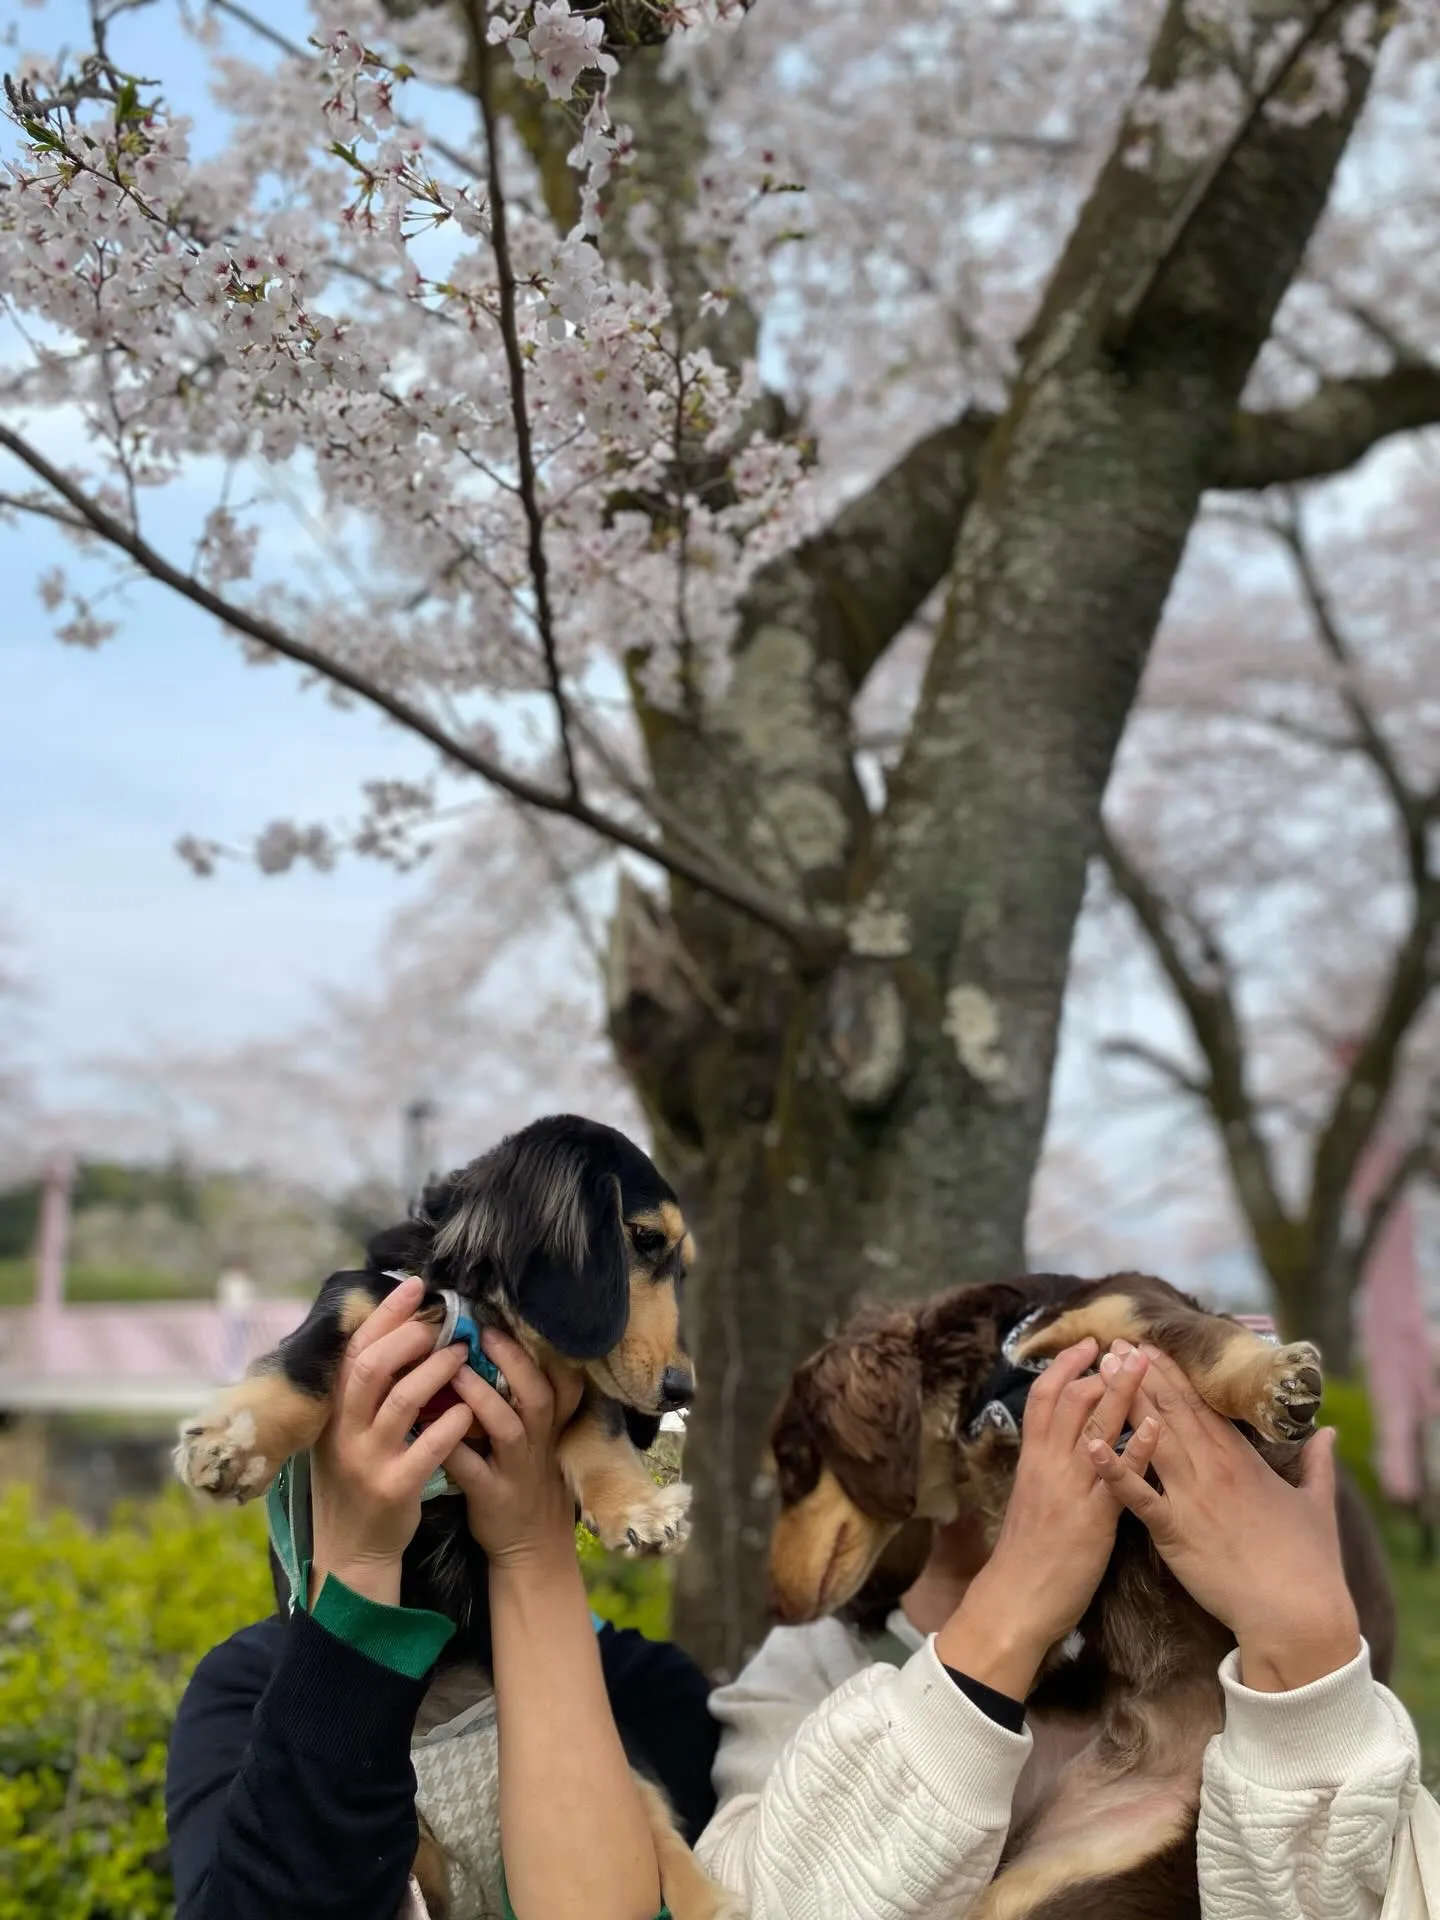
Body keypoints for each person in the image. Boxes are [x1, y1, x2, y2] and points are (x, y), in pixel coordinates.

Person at [697, 1335, 1428, 1920]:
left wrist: (1307, 1659)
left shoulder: (1197, 1658)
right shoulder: (819, 1662)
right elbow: (757, 1903)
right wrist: (1007, 1613)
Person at [165, 1277, 719, 1920]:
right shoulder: (245, 1691)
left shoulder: (646, 1693)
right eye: (391, 1423)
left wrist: (532, 1559)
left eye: (508, 1421)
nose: (437, 1464)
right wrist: (357, 1576)